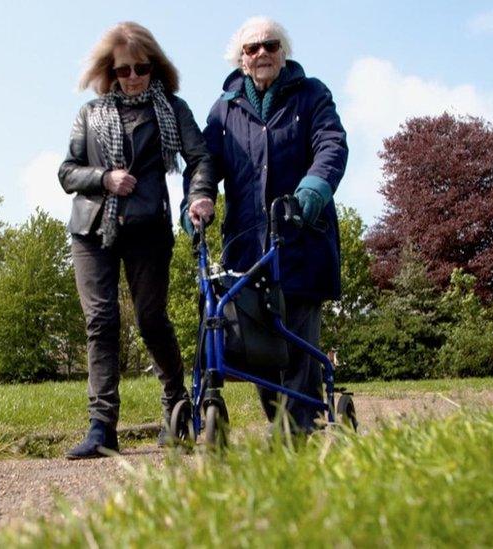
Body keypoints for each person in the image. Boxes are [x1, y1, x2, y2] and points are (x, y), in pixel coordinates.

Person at [182, 16, 348, 433]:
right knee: (260, 345)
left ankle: (297, 429)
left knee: (298, 339)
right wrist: (198, 198)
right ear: (240, 59)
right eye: (252, 48)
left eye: (270, 46)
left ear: (282, 51)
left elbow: (331, 145)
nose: (262, 54)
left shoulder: (311, 94)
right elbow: (206, 163)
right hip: (247, 244)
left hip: (300, 237)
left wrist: (310, 193)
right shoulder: (224, 110)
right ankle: (284, 424)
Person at [59, 22, 214, 459]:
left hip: (148, 227)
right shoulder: (89, 114)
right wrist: (104, 177)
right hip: (92, 229)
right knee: (101, 322)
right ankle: (101, 426)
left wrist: (199, 195)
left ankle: (175, 406)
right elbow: (68, 172)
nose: (132, 77)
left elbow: (199, 158)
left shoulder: (173, 110)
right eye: (123, 70)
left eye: (141, 68)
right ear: (110, 71)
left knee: (151, 319)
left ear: (155, 67)